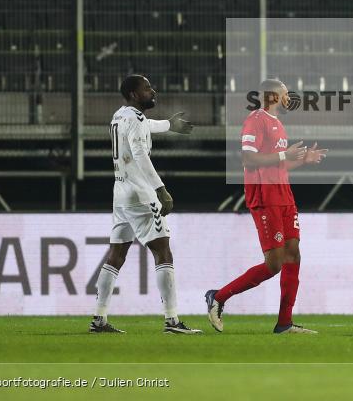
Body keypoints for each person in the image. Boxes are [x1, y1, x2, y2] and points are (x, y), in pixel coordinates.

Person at [205, 78, 326, 334]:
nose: (288, 98)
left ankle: (284, 323)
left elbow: (278, 163)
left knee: (293, 254)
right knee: (274, 264)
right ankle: (218, 297)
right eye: (285, 94)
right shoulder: (256, 120)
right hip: (265, 197)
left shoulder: (278, 123)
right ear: (273, 96)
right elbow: (248, 159)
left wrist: (303, 159)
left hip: (284, 195)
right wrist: (284, 154)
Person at [90, 74, 201, 334]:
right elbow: (140, 154)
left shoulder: (120, 116)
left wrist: (169, 125)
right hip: (141, 195)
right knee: (163, 251)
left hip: (121, 193)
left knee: (116, 256)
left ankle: (99, 319)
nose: (153, 91)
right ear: (133, 94)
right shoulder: (135, 119)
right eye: (147, 88)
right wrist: (160, 189)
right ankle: (172, 321)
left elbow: (145, 125)